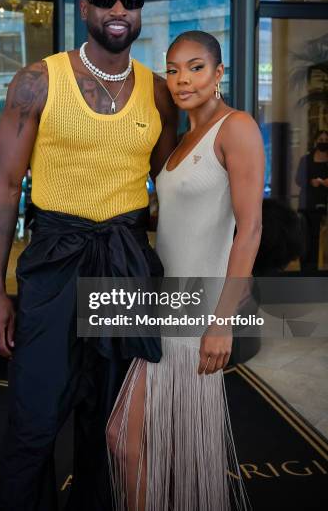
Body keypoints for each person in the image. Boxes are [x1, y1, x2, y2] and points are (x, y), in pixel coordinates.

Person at [0, 0, 177, 511]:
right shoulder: (38, 81)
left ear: (140, 13)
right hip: (54, 263)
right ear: (84, 7)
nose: (120, 9)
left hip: (124, 264)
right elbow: (3, 189)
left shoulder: (159, 93)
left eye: (132, 1)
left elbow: (172, 187)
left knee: (108, 423)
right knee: (35, 419)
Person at [107, 31, 264, 511]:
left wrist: (222, 322)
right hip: (164, 309)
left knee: (126, 438)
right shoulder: (181, 135)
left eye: (195, 67)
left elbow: (250, 230)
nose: (181, 79)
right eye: (173, 69)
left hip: (197, 319)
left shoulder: (236, 128)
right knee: (159, 448)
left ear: (219, 73)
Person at [296, 130, 328, 272]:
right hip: (307, 203)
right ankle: (306, 268)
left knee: (316, 238)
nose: (323, 142)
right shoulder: (306, 159)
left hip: (323, 204)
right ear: (315, 141)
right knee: (305, 237)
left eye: (326, 139)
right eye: (320, 139)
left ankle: (314, 268)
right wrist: (310, 181)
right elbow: (298, 179)